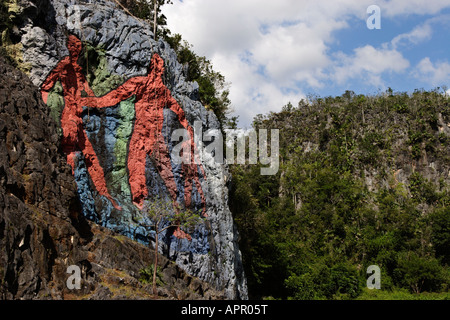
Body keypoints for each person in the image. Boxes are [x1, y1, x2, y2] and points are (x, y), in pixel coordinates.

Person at [81, 53, 206, 223]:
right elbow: (115, 96)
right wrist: (93, 102)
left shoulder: (164, 92)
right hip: (140, 135)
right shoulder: (140, 83)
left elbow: (180, 113)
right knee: (136, 171)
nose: (160, 68)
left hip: (156, 139)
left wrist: (189, 132)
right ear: (153, 66)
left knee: (168, 178)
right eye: (157, 64)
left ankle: (177, 221)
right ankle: (138, 207)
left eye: (161, 65)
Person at [41, 35, 121, 210]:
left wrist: (94, 103)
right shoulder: (64, 64)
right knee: (71, 152)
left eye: (78, 45)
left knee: (91, 157)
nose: (76, 48)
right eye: (73, 45)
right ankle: (67, 189)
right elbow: (47, 83)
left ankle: (104, 194)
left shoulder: (78, 70)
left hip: (77, 116)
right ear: (68, 46)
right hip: (67, 115)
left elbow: (89, 93)